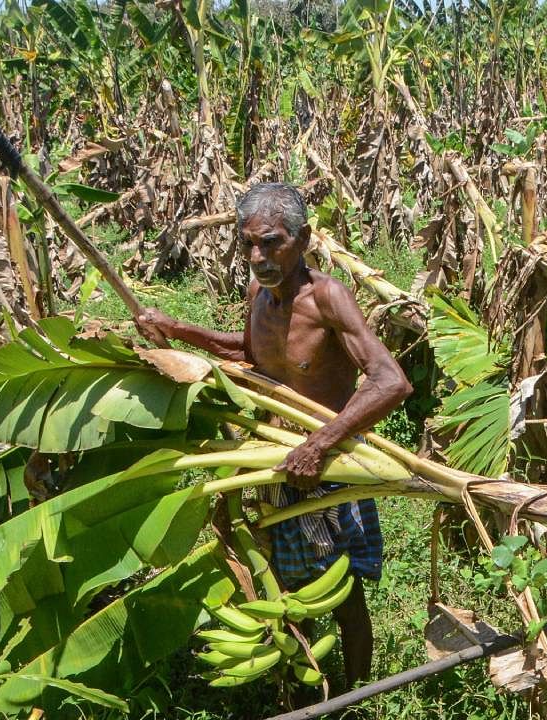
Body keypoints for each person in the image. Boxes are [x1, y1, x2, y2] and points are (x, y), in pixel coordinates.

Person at [135, 183, 412, 686]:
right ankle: (298, 687)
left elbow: (390, 380)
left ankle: (353, 697)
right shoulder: (259, 294)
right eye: (248, 245)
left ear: (302, 238)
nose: (258, 256)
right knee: (282, 585)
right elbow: (250, 354)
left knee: (343, 593)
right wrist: (177, 331)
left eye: (271, 242)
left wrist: (320, 443)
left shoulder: (327, 298)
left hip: (327, 464)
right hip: (273, 460)